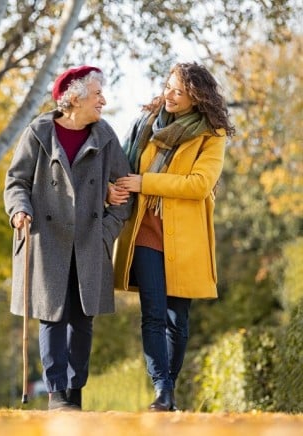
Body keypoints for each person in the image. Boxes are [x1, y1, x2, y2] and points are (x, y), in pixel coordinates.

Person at [4, 66, 133, 411]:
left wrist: (106, 232)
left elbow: (125, 191)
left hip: (90, 241)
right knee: (52, 316)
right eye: (97, 95)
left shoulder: (105, 136)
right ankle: (57, 393)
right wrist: (18, 209)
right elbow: (16, 181)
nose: (104, 101)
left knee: (82, 318)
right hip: (47, 239)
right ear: (74, 99)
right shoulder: (38, 133)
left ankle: (75, 392)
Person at [110, 62, 235, 411]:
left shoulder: (211, 135)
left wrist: (146, 183)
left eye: (179, 91)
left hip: (186, 239)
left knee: (178, 320)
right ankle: (162, 390)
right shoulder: (146, 124)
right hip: (146, 231)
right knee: (153, 313)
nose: (169, 95)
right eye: (168, 86)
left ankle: (169, 387)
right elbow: (122, 163)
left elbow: (199, 185)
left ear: (197, 98)